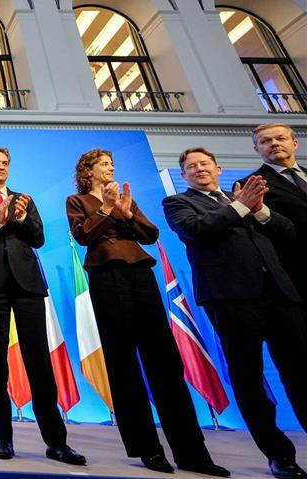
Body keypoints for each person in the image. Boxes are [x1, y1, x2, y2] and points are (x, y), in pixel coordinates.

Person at [67, 149, 228, 477]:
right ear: (88, 171)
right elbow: (83, 235)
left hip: (140, 273)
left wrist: (126, 213)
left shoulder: (126, 196)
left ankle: (191, 451)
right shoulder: (77, 200)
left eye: (112, 164)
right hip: (106, 276)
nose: (111, 168)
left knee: (166, 361)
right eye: (104, 165)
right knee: (123, 361)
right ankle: (147, 448)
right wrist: (107, 209)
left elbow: (150, 235)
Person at [164, 147, 307, 479]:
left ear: (218, 168)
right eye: (191, 166)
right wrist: (243, 206)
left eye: (205, 164)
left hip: (280, 296)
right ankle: (279, 454)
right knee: (249, 379)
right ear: (184, 175)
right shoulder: (179, 203)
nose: (199, 169)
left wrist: (258, 211)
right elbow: (198, 229)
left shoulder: (248, 200)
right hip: (230, 299)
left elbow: (287, 233)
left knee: (301, 372)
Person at [0, 147, 85, 466]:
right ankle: (3, 439)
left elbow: (39, 238)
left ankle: (57, 443)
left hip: (28, 284)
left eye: (5, 163)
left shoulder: (24, 199)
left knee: (39, 362)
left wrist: (20, 218)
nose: (1, 167)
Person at [242, 123, 307, 322]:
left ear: (294, 143)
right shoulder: (251, 185)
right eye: (266, 141)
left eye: (280, 138)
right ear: (256, 149)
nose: (274, 144)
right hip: (297, 272)